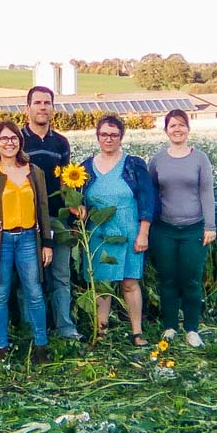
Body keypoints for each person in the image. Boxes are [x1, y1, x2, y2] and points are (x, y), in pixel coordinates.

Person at [0, 121, 53, 364]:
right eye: (4, 139)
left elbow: (43, 208)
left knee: (35, 293)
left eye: (13, 138)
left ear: (20, 141)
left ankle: (41, 347)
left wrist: (47, 243)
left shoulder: (33, 171)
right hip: (0, 240)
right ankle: (2, 347)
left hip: (29, 238)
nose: (9, 143)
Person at [80, 115, 155, 346]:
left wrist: (144, 233)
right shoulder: (85, 167)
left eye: (114, 134)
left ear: (121, 137)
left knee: (129, 283)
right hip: (99, 234)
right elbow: (78, 198)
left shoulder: (133, 164)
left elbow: (147, 199)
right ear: (97, 136)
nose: (108, 139)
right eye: (104, 134)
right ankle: (101, 333)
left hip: (129, 231)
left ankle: (137, 333)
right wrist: (78, 208)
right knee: (102, 284)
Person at [20, 86, 83, 341]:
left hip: (58, 219)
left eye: (47, 102)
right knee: (29, 279)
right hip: (27, 220)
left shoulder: (61, 142)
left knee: (60, 275)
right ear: (28, 108)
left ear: (53, 108)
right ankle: (32, 329)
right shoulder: (18, 139)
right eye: (37, 102)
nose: (42, 107)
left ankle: (65, 327)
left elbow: (68, 181)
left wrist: (74, 205)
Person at [148, 109, 216, 348]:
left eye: (181, 125)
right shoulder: (157, 160)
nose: (177, 129)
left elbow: (207, 193)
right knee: (167, 279)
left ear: (188, 129)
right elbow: (151, 194)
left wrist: (210, 225)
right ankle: (169, 326)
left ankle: (191, 329)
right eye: (172, 125)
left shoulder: (200, 159)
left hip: (194, 230)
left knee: (191, 281)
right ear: (166, 130)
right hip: (164, 230)